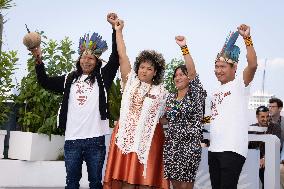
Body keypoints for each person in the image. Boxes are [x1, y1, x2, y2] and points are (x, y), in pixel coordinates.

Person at [29, 13, 119, 189]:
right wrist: (38, 58)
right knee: (71, 183)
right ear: (79, 59)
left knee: (95, 183)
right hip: (72, 140)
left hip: (95, 139)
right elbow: (44, 81)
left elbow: (115, 58)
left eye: (91, 58)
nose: (87, 60)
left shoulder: (103, 77)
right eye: (84, 57)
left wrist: (114, 29)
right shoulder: (68, 79)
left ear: (97, 61)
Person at [103, 19, 169, 189]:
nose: (144, 70)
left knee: (145, 183)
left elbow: (165, 117)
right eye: (142, 67)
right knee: (126, 181)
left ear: (155, 72)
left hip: (147, 142)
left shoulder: (161, 92)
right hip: (124, 138)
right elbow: (122, 55)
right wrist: (118, 31)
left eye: (149, 68)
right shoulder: (130, 82)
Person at [208, 24, 258, 189]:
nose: (218, 70)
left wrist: (247, 39)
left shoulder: (239, 84)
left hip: (232, 149)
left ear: (234, 68)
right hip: (214, 149)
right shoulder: (215, 91)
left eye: (222, 67)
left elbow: (252, 65)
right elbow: (214, 117)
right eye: (216, 66)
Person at [161, 36, 206, 189]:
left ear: (188, 78)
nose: (178, 77)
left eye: (182, 74)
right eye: (176, 75)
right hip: (171, 147)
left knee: (186, 186)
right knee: (175, 186)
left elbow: (193, 72)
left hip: (190, 147)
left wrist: (184, 48)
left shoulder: (196, 93)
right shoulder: (171, 98)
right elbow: (166, 120)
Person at [249, 106, 281, 189]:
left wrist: (265, 158)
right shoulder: (251, 128)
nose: (265, 119)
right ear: (257, 117)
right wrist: (257, 158)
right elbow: (249, 147)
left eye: (267, 116)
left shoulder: (275, 127)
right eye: (262, 117)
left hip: (271, 159)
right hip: (255, 160)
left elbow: (277, 145)